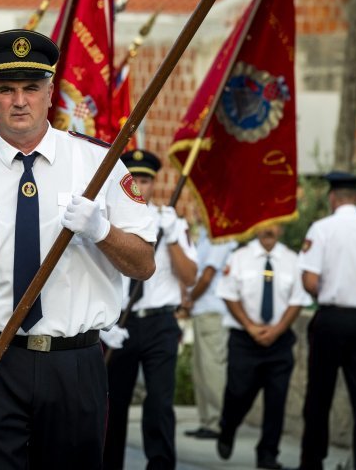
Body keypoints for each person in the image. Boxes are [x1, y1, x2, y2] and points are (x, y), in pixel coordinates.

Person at [0, 29, 157, 469]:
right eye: (6, 89)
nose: (19, 101)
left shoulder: (99, 165)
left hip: (75, 363)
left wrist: (102, 230)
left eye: (31, 88)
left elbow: (143, 264)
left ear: (51, 92)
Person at [103, 149, 197, 470]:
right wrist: (105, 323)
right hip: (120, 326)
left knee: (159, 402)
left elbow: (190, 276)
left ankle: (160, 465)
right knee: (114, 404)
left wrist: (171, 237)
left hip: (159, 323)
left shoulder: (172, 222)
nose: (140, 186)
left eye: (146, 180)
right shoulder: (111, 221)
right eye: (135, 179)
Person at [297, 172, 356, 470]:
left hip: (332, 320)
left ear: (332, 198)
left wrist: (327, 290)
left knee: (319, 395)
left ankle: (312, 462)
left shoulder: (322, 229)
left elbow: (309, 280)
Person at [215, 224, 311, 469]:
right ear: (256, 227)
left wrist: (277, 330)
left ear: (281, 229)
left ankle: (268, 454)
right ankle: (228, 427)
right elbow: (228, 294)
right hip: (244, 340)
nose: (269, 229)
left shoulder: (293, 260)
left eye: (275, 224)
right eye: (264, 224)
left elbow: (298, 300)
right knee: (238, 392)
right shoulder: (239, 257)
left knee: (276, 400)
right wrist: (250, 326)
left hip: (278, 341)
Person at [183, 228, 237, 440]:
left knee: (213, 368)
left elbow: (207, 277)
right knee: (201, 370)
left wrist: (189, 299)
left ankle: (218, 423)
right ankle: (206, 420)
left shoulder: (222, 234)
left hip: (212, 309)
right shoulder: (206, 234)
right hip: (202, 310)